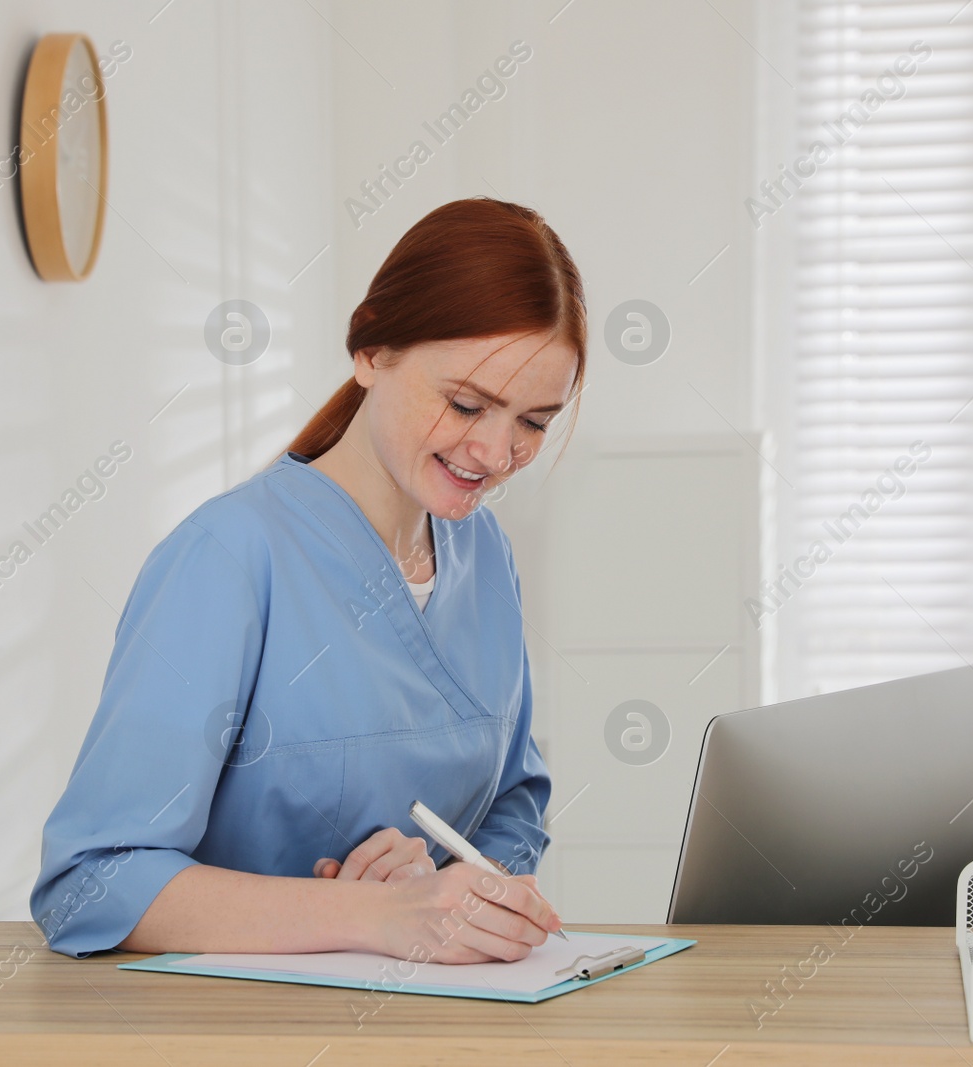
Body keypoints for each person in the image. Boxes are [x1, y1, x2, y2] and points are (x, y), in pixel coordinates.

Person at [31, 197, 588, 964]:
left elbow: (515, 802)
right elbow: (90, 880)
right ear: (370, 350)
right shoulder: (226, 560)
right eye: (467, 403)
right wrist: (368, 912)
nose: (496, 452)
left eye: (533, 422)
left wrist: (448, 885)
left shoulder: (483, 550)